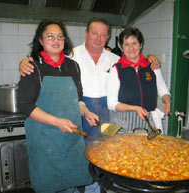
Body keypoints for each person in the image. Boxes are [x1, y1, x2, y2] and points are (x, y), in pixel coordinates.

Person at [19, 18, 161, 144]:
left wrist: (150, 58)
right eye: (94, 33)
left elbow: (136, 62)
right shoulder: (72, 57)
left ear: (108, 37)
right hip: (72, 117)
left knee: (105, 154)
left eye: (103, 34)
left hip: (103, 115)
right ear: (86, 33)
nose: (98, 38)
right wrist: (25, 62)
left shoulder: (115, 60)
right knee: (83, 154)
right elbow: (26, 102)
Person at [17, 19, 94, 193]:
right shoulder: (33, 66)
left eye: (60, 36)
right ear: (41, 41)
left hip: (70, 137)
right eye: (50, 36)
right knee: (49, 185)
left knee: (71, 182)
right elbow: (25, 106)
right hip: (45, 140)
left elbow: (78, 99)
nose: (56, 40)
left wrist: (86, 111)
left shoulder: (73, 66)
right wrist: (57, 122)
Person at [107, 27, 171, 134]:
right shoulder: (116, 69)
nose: (131, 48)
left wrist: (167, 101)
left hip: (148, 122)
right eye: (126, 44)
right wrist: (135, 108)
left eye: (134, 43)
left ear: (140, 45)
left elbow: (162, 89)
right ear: (122, 47)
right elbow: (111, 104)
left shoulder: (152, 67)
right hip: (123, 124)